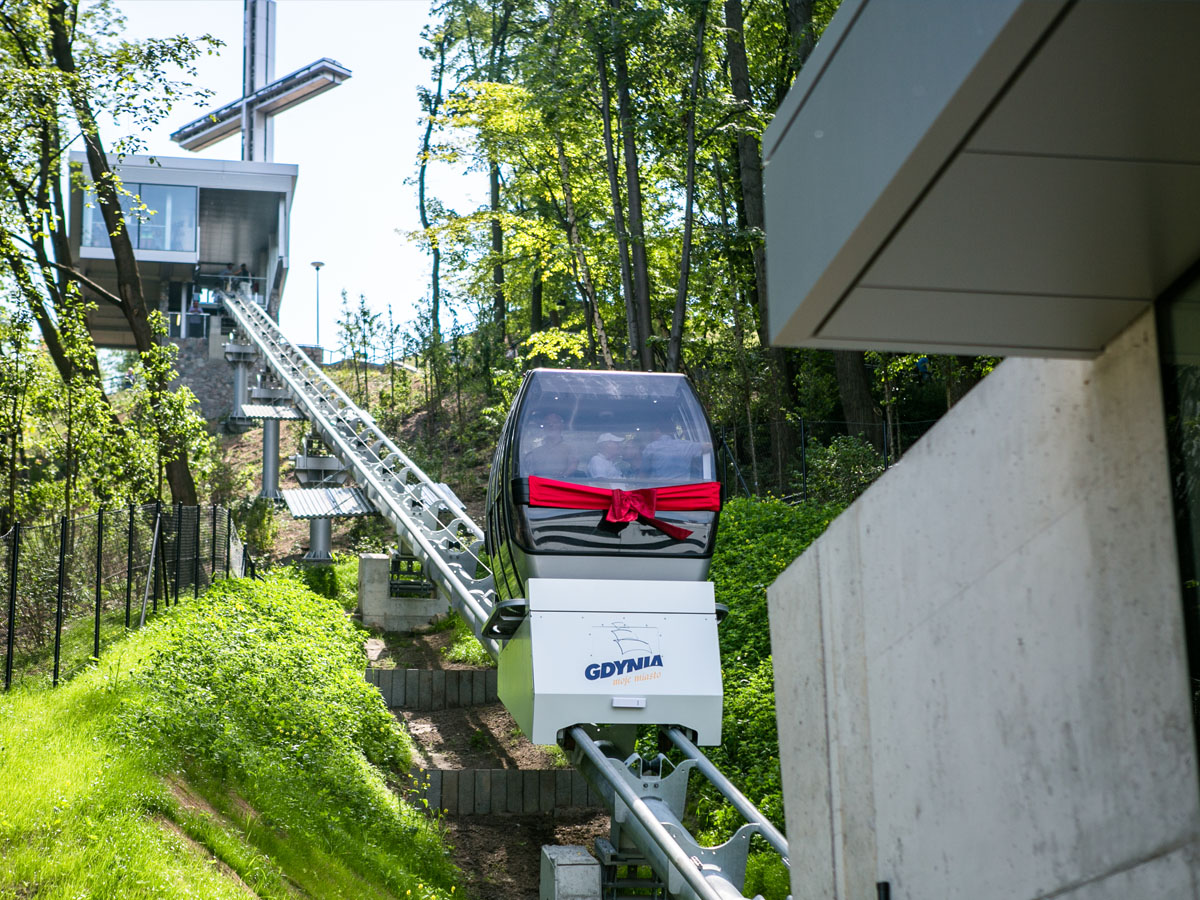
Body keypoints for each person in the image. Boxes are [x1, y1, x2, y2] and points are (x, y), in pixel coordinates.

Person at [642, 425, 710, 481]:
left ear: (657, 431)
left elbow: (644, 475)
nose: (651, 435)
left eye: (651, 432)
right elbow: (708, 446)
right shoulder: (685, 445)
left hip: (659, 492)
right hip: (681, 490)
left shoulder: (650, 447)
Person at [523, 412, 577, 477]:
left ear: (561, 426)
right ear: (543, 427)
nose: (551, 425)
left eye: (555, 422)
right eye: (547, 423)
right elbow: (528, 473)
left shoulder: (569, 449)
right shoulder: (535, 452)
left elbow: (573, 465)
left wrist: (563, 476)